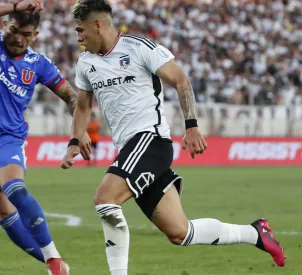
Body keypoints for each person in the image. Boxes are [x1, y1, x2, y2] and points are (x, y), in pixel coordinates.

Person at [61, 1, 286, 274]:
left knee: (105, 199)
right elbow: (83, 105)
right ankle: (256, 233)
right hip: (129, 150)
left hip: (150, 141)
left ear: (97, 24)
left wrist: (191, 125)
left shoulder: (139, 48)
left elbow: (181, 80)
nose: (78, 36)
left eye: (80, 29)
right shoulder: (86, 62)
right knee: (181, 233)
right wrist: (75, 139)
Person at [0, 1, 91, 274]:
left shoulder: (38, 64)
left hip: (7, 139)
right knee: (3, 215)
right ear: (6, 25)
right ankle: (58, 268)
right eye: (14, 30)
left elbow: (71, 97)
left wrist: (80, 131)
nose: (18, 38)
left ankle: (52, 257)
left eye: (26, 35)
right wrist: (12, 5)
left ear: (35, 36)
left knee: (14, 187)